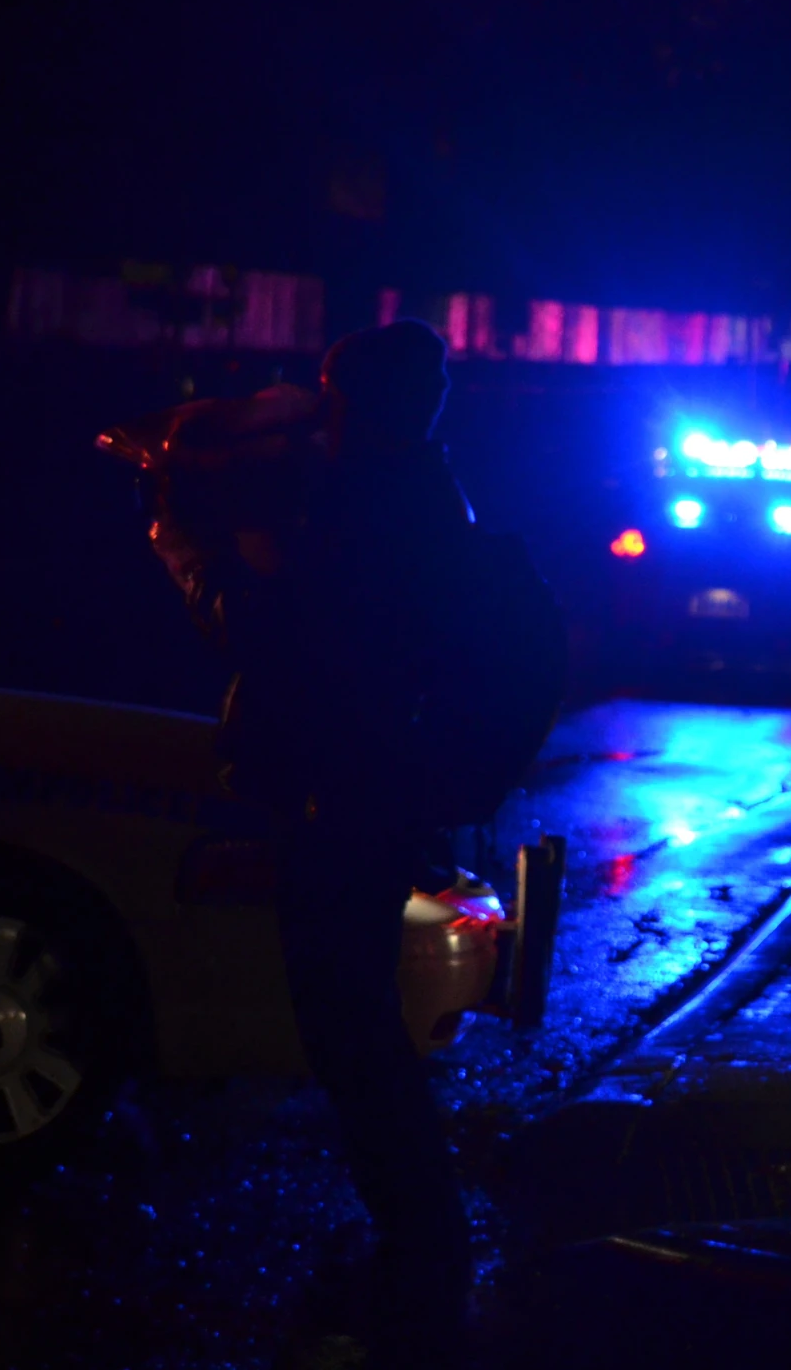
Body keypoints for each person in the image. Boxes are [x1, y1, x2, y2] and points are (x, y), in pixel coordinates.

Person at [157, 320, 476, 1365]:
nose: (317, 408)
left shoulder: (362, 504)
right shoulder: (421, 494)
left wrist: (191, 553)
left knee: (349, 1026)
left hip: (341, 792)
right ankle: (417, 1233)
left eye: (332, 391)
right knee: (354, 1022)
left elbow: (269, 632)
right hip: (374, 785)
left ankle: (421, 1247)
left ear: (363, 400)